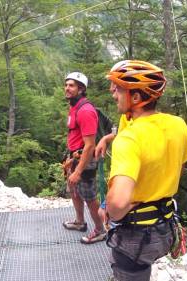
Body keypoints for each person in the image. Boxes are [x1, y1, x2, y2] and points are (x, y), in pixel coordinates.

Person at [103, 60, 187, 281]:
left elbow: (116, 207)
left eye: (119, 89)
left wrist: (120, 207)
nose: (114, 94)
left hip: (136, 234)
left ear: (135, 98)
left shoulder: (129, 138)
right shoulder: (178, 124)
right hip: (166, 226)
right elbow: (178, 166)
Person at [61, 72, 107, 244]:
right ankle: (80, 222)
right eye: (66, 85)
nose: (67, 88)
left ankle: (101, 230)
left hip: (84, 159)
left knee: (89, 197)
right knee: (74, 190)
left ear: (81, 89)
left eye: (71, 85)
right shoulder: (74, 106)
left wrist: (78, 171)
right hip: (74, 156)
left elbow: (90, 145)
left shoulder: (86, 111)